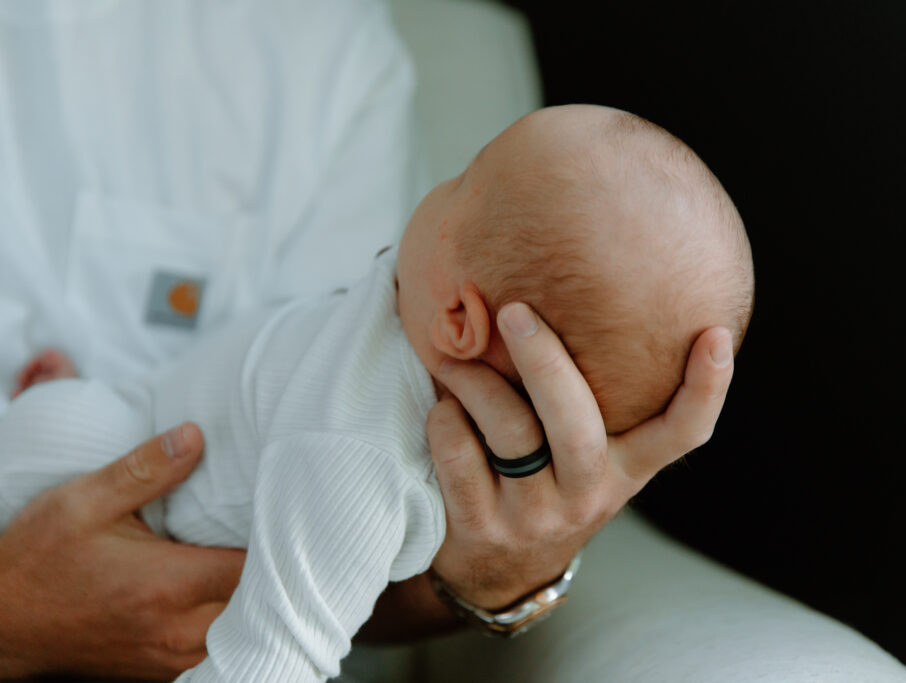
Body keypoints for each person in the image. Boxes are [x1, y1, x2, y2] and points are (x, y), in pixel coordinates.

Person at [0, 2, 736, 678]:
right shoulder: (396, 313)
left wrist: (507, 563)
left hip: (136, 473)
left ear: (457, 320)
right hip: (119, 437)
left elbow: (279, 649)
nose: (432, 185)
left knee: (66, 428)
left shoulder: (353, 451)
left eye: (462, 177)